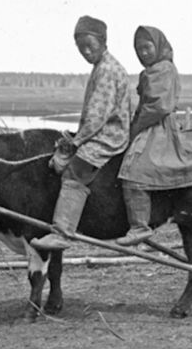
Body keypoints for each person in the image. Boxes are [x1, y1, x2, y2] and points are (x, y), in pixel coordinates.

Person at [117, 25, 192, 245]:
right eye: (139, 49)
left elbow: (158, 107)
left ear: (159, 46)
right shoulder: (152, 71)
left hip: (158, 127)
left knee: (134, 169)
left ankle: (139, 226)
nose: (144, 53)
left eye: (147, 47)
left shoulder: (164, 69)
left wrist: (135, 129)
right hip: (151, 123)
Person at [30, 15, 131, 251]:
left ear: (103, 42)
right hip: (103, 130)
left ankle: (63, 233)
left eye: (90, 45)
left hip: (109, 136)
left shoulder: (106, 70)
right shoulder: (103, 66)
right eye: (80, 47)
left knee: (75, 170)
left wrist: (76, 142)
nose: (86, 51)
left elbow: (97, 116)